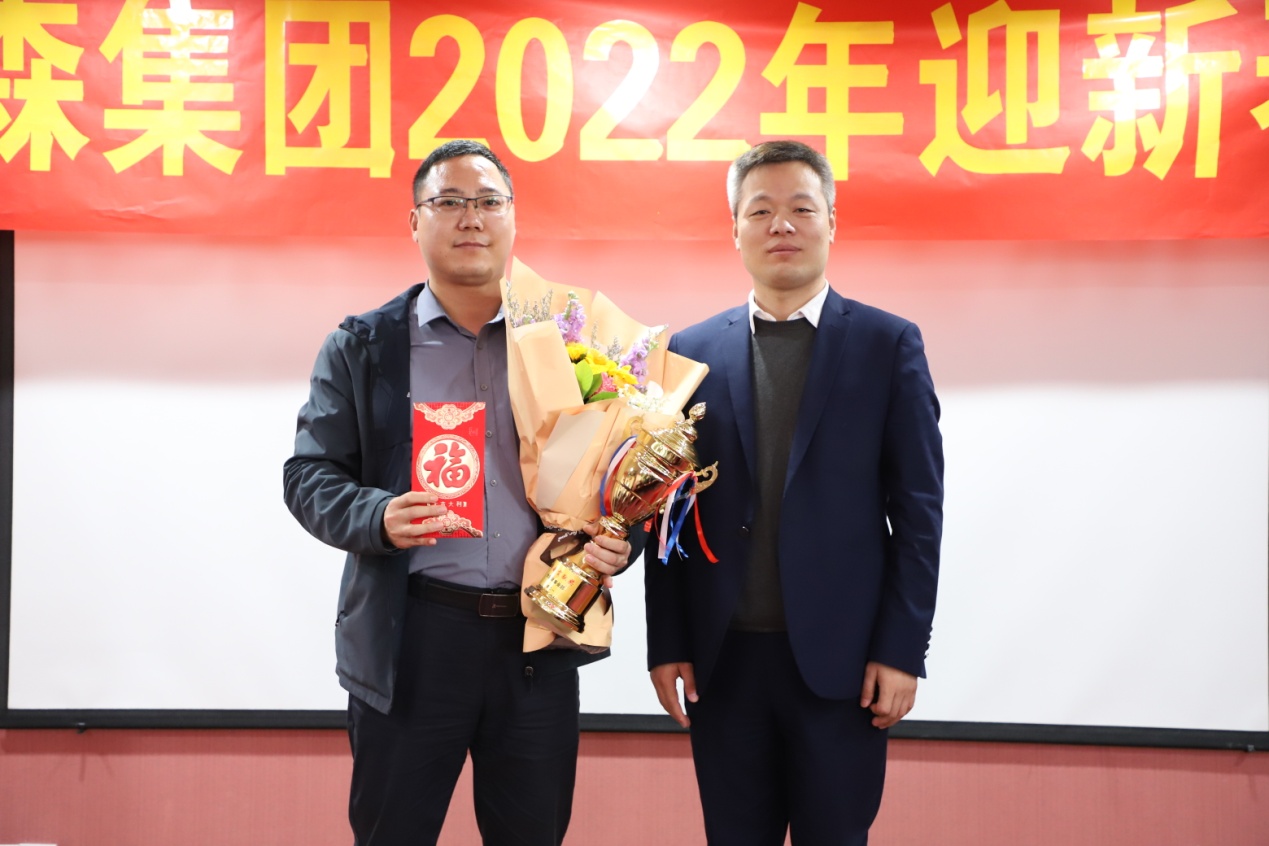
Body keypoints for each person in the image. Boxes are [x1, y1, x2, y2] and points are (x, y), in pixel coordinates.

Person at [283, 139, 632, 846]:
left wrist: (618, 538)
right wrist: (377, 515)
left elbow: (615, 471)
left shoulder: (569, 342)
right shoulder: (364, 346)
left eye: (487, 202)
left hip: (537, 635)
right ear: (415, 221)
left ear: (513, 217)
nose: (470, 218)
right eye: (448, 202)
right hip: (414, 637)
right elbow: (308, 476)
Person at [645, 140, 944, 845]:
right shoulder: (688, 353)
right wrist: (667, 641)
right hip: (723, 663)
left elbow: (918, 515)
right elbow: (666, 513)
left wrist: (903, 649)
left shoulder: (887, 345)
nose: (781, 225)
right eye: (760, 211)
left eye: (801, 209)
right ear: (736, 229)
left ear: (831, 222)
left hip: (844, 668)